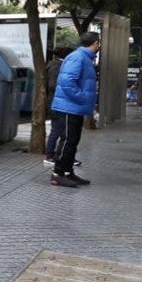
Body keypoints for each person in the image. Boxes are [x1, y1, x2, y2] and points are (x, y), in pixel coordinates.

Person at [49, 32, 100, 187]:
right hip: (68, 107)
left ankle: (67, 172)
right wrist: (82, 98)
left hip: (74, 107)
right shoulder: (78, 57)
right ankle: (57, 174)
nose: (99, 46)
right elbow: (67, 81)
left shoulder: (84, 58)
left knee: (72, 141)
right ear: (95, 43)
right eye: (99, 43)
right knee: (67, 141)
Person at [44, 48, 69, 165]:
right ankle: (50, 155)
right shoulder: (57, 66)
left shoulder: (55, 65)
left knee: (61, 131)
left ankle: (57, 155)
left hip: (56, 102)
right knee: (58, 130)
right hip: (57, 103)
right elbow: (53, 84)